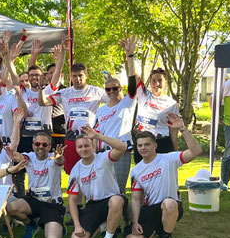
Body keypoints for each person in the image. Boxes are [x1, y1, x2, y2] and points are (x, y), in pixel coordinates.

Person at [126, 114, 202, 238]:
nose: (143, 148)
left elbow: (196, 151)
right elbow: (136, 199)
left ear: (155, 145)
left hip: (172, 206)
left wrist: (182, 129)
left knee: (169, 203)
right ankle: (159, 229)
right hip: (152, 210)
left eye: (147, 144)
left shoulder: (169, 158)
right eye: (140, 145)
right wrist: (135, 222)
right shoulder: (136, 170)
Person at [39, 38, 108, 175]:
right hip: (71, 138)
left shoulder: (96, 91)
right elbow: (43, 102)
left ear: (86, 75)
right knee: (72, 173)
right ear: (70, 77)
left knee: (92, 172)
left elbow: (114, 103)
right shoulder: (65, 93)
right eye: (74, 76)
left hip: (90, 137)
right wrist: (41, 87)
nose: (78, 79)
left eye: (81, 76)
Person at [67, 126, 128, 238]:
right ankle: (104, 226)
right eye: (80, 147)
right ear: (76, 149)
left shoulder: (104, 158)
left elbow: (122, 147)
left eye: (86, 146)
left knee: (116, 200)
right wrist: (77, 226)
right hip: (93, 205)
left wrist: (98, 136)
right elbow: (72, 200)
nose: (84, 149)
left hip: (112, 199)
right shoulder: (75, 170)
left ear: (93, 146)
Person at [95, 36, 139, 192]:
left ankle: (126, 214)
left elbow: (133, 83)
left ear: (120, 88)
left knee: (118, 188)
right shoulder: (101, 109)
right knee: (103, 187)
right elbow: (97, 133)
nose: (111, 91)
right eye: (108, 89)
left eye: (115, 88)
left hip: (122, 151)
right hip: (103, 153)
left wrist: (130, 56)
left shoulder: (127, 103)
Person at [7, 132, 66, 238]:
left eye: (44, 145)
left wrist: (59, 156)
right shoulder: (29, 157)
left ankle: (57, 223)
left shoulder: (53, 158)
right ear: (33, 145)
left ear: (49, 146)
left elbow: (60, 161)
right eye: (37, 144)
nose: (40, 147)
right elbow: (21, 157)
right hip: (33, 200)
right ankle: (31, 224)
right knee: (10, 208)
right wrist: (16, 157)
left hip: (51, 204)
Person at [134, 67, 179, 163]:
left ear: (165, 82)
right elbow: (135, 75)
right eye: (153, 81)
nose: (157, 84)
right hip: (142, 143)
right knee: (142, 175)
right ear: (150, 83)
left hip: (162, 143)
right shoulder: (144, 95)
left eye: (160, 80)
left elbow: (174, 131)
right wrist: (130, 55)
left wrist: (175, 152)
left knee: (162, 175)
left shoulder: (171, 104)